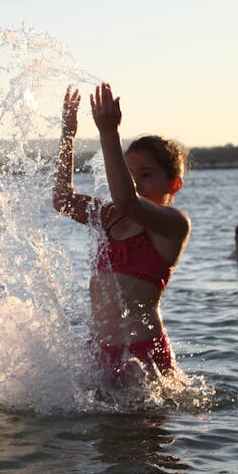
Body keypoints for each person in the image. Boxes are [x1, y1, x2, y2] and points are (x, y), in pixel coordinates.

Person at [53, 83, 190, 383]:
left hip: (143, 355)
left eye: (146, 175)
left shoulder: (174, 225)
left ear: (174, 185)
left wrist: (108, 132)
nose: (136, 183)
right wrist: (68, 136)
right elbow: (62, 200)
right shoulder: (112, 217)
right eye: (130, 176)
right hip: (99, 354)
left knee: (141, 431)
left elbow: (128, 198)